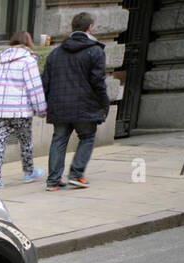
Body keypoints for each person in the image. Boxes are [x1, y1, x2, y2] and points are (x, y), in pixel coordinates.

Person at [41, 12, 110, 191]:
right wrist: (104, 104)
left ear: (72, 28)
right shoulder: (95, 51)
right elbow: (98, 82)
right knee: (87, 137)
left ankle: (53, 181)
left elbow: (45, 83)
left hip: (59, 106)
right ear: (90, 28)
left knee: (59, 140)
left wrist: (47, 105)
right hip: (84, 105)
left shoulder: (55, 53)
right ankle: (76, 174)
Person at [0, 32, 47, 189]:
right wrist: (41, 108)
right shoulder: (28, 60)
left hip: (0, 110)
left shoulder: (2, 59)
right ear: (28, 42)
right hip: (20, 110)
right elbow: (34, 87)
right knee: (26, 141)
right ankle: (28, 173)